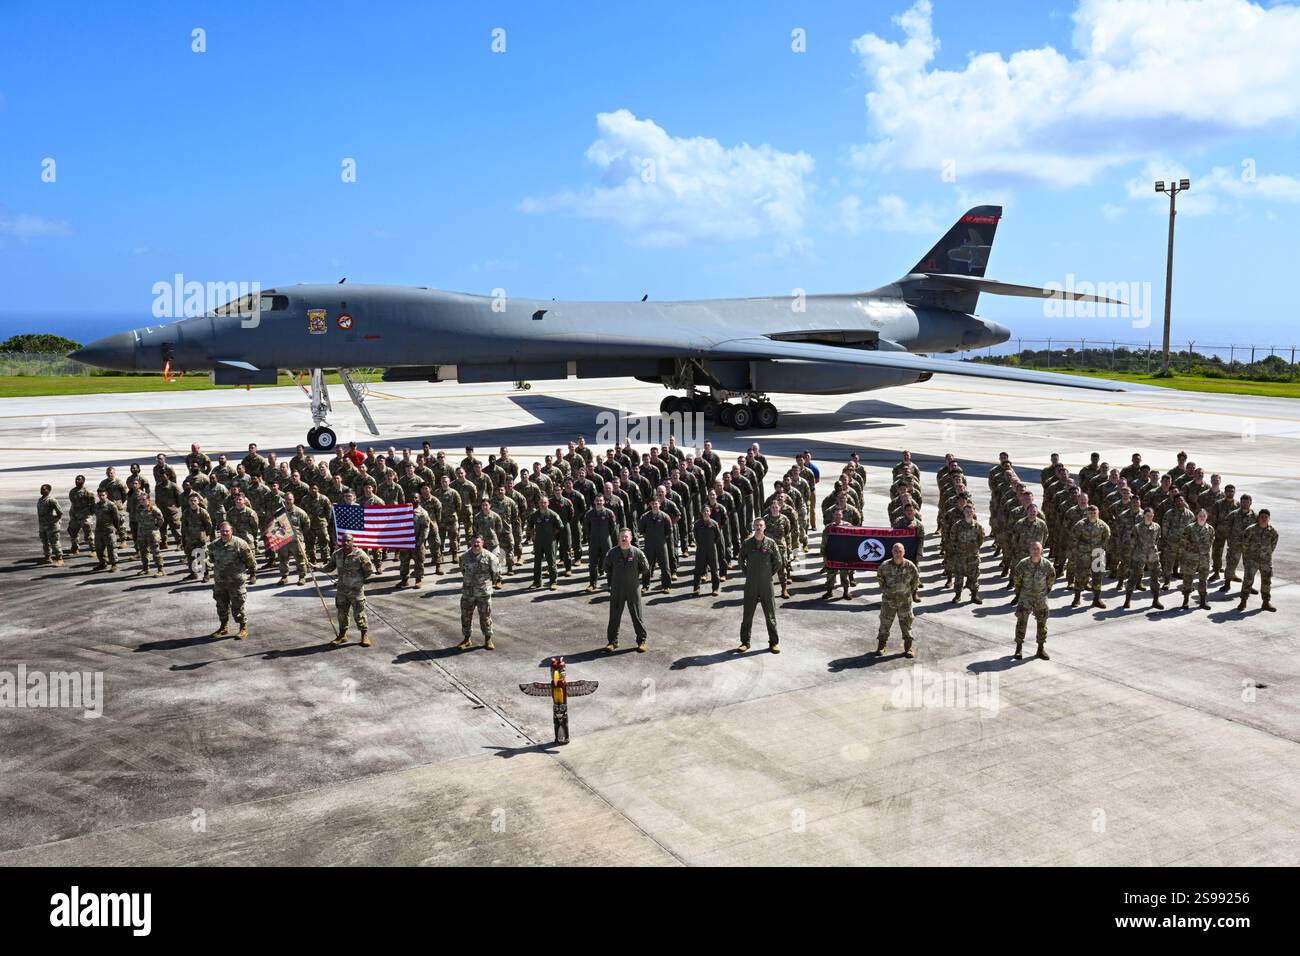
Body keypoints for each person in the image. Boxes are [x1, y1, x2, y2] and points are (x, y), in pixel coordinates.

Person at [737, 518, 782, 653]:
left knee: (770, 615)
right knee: (747, 615)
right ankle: (745, 642)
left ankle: (774, 643)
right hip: (751, 583)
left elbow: (778, 562)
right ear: (753, 527)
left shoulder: (770, 543)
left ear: (764, 527)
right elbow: (741, 560)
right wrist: (748, 573)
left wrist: (768, 574)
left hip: (766, 584)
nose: (758, 527)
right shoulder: (747, 543)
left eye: (760, 525)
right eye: (756, 525)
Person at [206, 522, 256, 639]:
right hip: (220, 582)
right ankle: (223, 627)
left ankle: (243, 628)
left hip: (236, 582)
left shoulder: (240, 544)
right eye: (222, 531)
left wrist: (252, 573)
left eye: (227, 531)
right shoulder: (214, 545)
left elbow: (250, 561)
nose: (224, 533)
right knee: (221, 606)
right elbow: (211, 559)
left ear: (231, 531)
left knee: (238, 606)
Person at [604, 528, 650, 652]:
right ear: (618, 539)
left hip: (633, 588)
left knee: (637, 615)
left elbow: (645, 568)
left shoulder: (637, 553)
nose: (624, 539)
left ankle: (642, 642)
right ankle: (612, 642)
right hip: (617, 588)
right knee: (614, 615)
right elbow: (606, 567)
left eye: (626, 537)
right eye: (621, 537)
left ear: (630, 538)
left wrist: (633, 575)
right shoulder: (612, 553)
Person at [324, 533, 374, 646]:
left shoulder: (360, 554)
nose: (345, 543)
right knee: (342, 613)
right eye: (343, 541)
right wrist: (315, 567)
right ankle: (342, 636)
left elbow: (368, 570)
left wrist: (358, 580)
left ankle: (364, 636)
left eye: (348, 540)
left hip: (356, 590)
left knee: (359, 614)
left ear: (352, 541)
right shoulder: (337, 554)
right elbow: (329, 567)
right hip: (342, 590)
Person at [1012, 540, 1055, 659]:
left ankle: (1040, 649)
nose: (1036, 551)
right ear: (1029, 551)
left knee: (1042, 623)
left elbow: (1051, 579)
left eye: (1038, 549)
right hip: (1025, 597)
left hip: (1040, 597)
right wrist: (1020, 593)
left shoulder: (1047, 565)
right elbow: (1017, 580)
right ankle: (1019, 648)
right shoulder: (1023, 564)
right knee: (1021, 622)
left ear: (1041, 550)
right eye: (1033, 549)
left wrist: (1045, 592)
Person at [876, 542, 920, 657]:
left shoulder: (910, 566)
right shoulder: (885, 566)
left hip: (905, 601)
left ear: (904, 552)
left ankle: (908, 647)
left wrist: (910, 592)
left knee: (906, 624)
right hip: (889, 601)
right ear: (892, 552)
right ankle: (881, 646)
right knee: (885, 623)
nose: (897, 553)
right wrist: (886, 591)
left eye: (900, 551)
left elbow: (916, 579)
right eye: (895, 551)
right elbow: (880, 579)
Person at [458, 535, 500, 649]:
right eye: (474, 542)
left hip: (483, 593)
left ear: (482, 543)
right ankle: (466, 640)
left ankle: (488, 639)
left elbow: (495, 574)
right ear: (470, 543)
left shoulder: (490, 557)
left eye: (478, 542)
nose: (476, 544)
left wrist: (487, 585)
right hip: (468, 593)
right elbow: (463, 570)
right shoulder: (463, 557)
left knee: (485, 617)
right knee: (466, 617)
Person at [1124, 507, 1164, 610]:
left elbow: (1157, 540)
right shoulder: (1137, 527)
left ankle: (1156, 600)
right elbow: (1133, 542)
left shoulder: (1157, 527)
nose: (1149, 517)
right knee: (1133, 577)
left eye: (1151, 516)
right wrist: (1132, 556)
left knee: (1155, 579)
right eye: (1147, 515)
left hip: (1153, 555)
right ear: (1143, 516)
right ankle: (1127, 600)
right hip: (1139, 555)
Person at [1240, 510, 1278, 612]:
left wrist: (1266, 555)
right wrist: (1248, 558)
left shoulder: (1273, 532)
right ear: (1258, 518)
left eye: (1266, 517)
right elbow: (1244, 545)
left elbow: (1273, 546)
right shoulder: (1250, 530)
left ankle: (1265, 603)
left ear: (1269, 518)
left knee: (1266, 582)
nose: (1264, 518)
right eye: (1262, 516)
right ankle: (1243, 601)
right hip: (1252, 561)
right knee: (1248, 580)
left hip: (1266, 561)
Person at [950, 503, 985, 604]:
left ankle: (974, 596)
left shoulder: (978, 526)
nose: (969, 513)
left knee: (974, 576)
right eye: (967, 511)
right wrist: (959, 549)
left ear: (974, 512)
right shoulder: (957, 526)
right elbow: (953, 539)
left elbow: (981, 540)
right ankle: (957, 595)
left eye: (971, 511)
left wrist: (973, 549)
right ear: (963, 512)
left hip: (973, 556)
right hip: (960, 556)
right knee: (958, 576)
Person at [1180, 508, 1215, 610]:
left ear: (1206, 517)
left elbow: (1211, 540)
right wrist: (1193, 548)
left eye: (1204, 516)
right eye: (1200, 515)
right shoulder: (1189, 528)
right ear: (1196, 516)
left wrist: (1203, 548)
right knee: (1188, 579)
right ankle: (1185, 600)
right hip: (1191, 558)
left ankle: (1203, 601)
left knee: (1203, 579)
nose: (1202, 517)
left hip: (1204, 558)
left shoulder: (1210, 529)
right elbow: (1183, 542)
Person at [528, 496, 564, 590]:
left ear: (548, 503)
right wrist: (533, 536)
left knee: (551, 562)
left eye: (544, 502)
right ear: (538, 504)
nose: (542, 504)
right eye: (541, 502)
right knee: (537, 562)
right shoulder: (535, 514)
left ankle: (553, 582)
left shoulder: (553, 514)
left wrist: (552, 534)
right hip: (538, 541)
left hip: (550, 541)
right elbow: (530, 526)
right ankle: (536, 582)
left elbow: (560, 526)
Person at [584, 494, 618, 592]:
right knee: (592, 563)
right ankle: (592, 584)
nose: (599, 502)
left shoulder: (609, 513)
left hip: (606, 541)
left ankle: (610, 584)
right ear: (594, 502)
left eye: (601, 500)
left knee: (609, 562)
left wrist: (605, 535)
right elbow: (587, 528)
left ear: (603, 502)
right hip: (593, 541)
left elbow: (613, 528)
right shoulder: (589, 514)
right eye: (597, 500)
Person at [691, 504, 723, 596]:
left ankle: (715, 589)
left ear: (710, 512)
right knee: (698, 570)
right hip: (701, 549)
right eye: (704, 511)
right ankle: (696, 589)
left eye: (707, 511)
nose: (706, 513)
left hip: (712, 549)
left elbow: (718, 536)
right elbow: (695, 535)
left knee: (714, 570)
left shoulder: (714, 524)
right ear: (701, 513)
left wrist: (711, 544)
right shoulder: (697, 524)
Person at [92, 488, 123, 571]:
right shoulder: (97, 505)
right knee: (99, 548)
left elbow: (117, 518)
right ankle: (102, 563)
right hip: (99, 529)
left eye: (103, 495)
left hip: (109, 529)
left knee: (111, 547)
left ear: (106, 495)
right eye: (100, 495)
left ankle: (114, 564)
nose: (101, 497)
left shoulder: (111, 505)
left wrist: (117, 528)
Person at [67, 475, 95, 554]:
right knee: (73, 532)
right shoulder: (72, 491)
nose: (77, 481)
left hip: (85, 516)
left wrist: (89, 515)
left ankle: (93, 549)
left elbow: (93, 504)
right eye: (76, 480)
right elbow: (72, 502)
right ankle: (75, 547)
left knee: (88, 534)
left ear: (83, 481)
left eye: (79, 480)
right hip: (74, 516)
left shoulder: (88, 492)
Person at [37, 484, 64, 566]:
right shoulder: (40, 500)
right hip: (43, 525)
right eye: (41, 489)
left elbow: (60, 512)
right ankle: (48, 557)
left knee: (54, 542)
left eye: (44, 489)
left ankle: (60, 558)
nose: (42, 490)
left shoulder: (51, 500)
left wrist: (55, 520)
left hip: (51, 526)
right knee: (45, 542)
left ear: (48, 491)